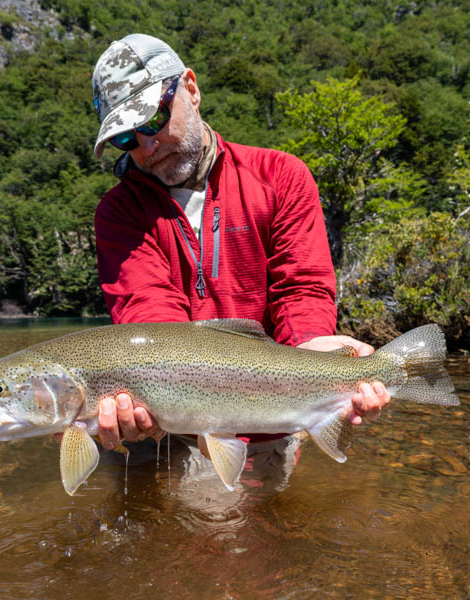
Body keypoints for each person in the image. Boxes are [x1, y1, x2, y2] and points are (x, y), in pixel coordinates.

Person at [90, 33, 390, 453]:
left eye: (153, 119)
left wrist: (314, 346)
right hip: (176, 427)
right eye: (125, 138)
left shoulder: (281, 176)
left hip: (278, 416)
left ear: (191, 89)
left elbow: (301, 289)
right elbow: (150, 313)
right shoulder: (119, 212)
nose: (146, 146)